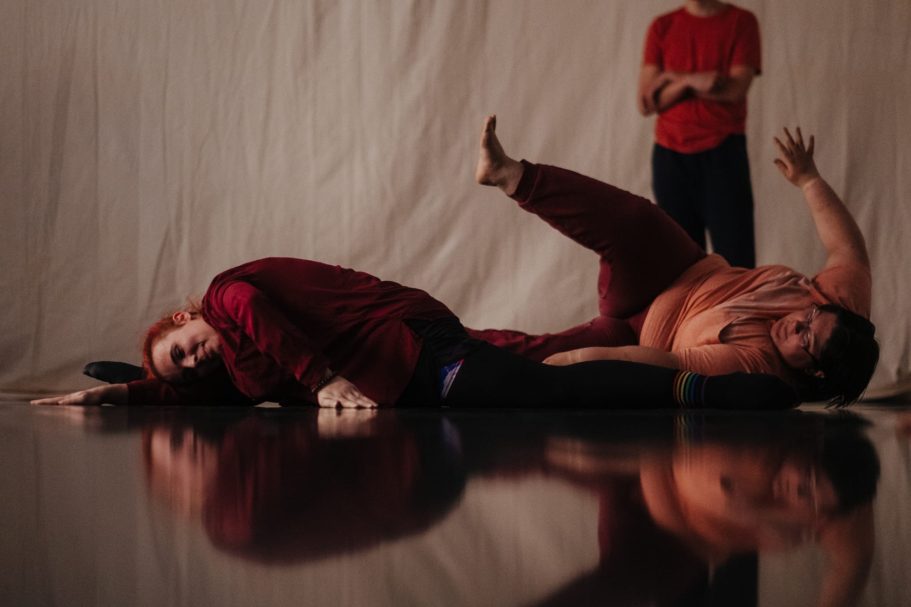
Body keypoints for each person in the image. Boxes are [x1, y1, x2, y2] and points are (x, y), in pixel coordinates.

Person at [469, 115, 877, 405]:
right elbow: (848, 250)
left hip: (637, 341)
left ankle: (439, 348)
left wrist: (574, 361)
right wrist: (809, 180)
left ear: (815, 371)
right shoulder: (837, 304)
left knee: (534, 358)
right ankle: (508, 173)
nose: (796, 323)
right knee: (638, 220)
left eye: (806, 339)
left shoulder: (756, 368)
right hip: (678, 269)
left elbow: (668, 363)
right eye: (809, 316)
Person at [30, 256, 796, 409]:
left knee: (546, 386)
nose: (195, 358)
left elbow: (256, 316)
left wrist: (326, 381)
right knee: (533, 366)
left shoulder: (227, 296)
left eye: (182, 349)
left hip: (413, 346)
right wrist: (131, 394)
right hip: (410, 367)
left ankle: (708, 388)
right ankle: (628, 336)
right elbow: (220, 393)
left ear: (181, 317)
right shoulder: (239, 366)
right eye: (187, 367)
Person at [638, 0, 761, 267]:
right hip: (670, 155)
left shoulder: (741, 22)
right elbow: (647, 102)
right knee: (679, 263)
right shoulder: (662, 26)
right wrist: (691, 80)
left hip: (723, 152)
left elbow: (735, 90)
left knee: (736, 262)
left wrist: (671, 81)